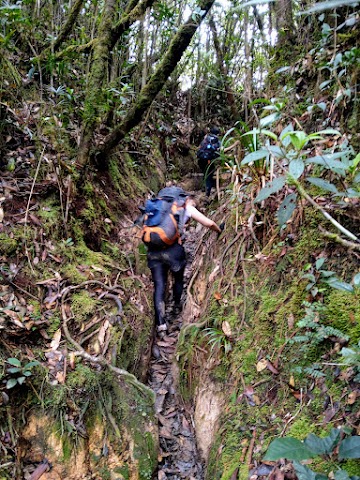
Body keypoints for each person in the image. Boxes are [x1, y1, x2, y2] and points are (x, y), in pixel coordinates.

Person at [142, 186, 224, 333]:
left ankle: (161, 324)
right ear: (185, 197)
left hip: (153, 252)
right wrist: (219, 230)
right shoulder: (184, 206)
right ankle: (176, 307)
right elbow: (209, 223)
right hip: (173, 251)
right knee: (178, 279)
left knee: (159, 285)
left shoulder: (156, 207)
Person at [196, 126, 221, 197]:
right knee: (209, 175)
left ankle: (204, 188)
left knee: (205, 173)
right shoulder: (216, 140)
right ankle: (207, 192)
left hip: (201, 159)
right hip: (209, 160)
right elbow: (218, 150)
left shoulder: (206, 138)